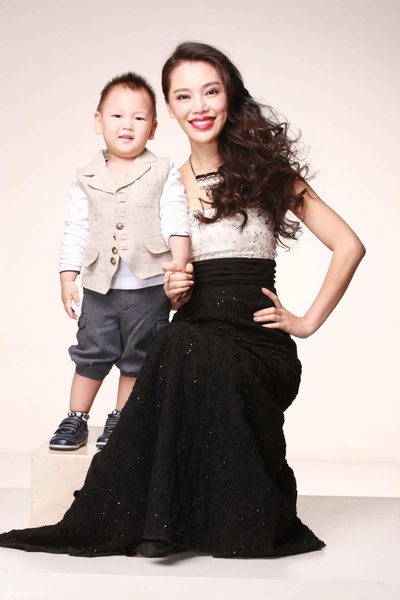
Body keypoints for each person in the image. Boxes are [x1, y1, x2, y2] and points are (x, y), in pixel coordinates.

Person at [0, 42, 365, 558]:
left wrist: (305, 322)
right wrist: (175, 291)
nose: (199, 106)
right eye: (184, 95)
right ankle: (159, 524)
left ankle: (203, 522)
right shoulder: (162, 185)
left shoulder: (269, 175)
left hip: (256, 343)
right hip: (192, 334)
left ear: (229, 96)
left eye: (211, 91)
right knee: (177, 342)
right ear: (169, 109)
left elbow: (349, 245)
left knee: (181, 347)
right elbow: (155, 286)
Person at [50, 72, 190, 451]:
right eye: (117, 115)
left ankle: (121, 419)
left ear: (153, 128)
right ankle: (76, 418)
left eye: (139, 117)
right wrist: (68, 277)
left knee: (138, 357)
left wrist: (179, 264)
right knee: (91, 352)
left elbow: (175, 217)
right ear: (98, 121)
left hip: (149, 287)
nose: (127, 124)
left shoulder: (162, 170)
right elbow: (76, 229)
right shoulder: (85, 177)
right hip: (100, 287)